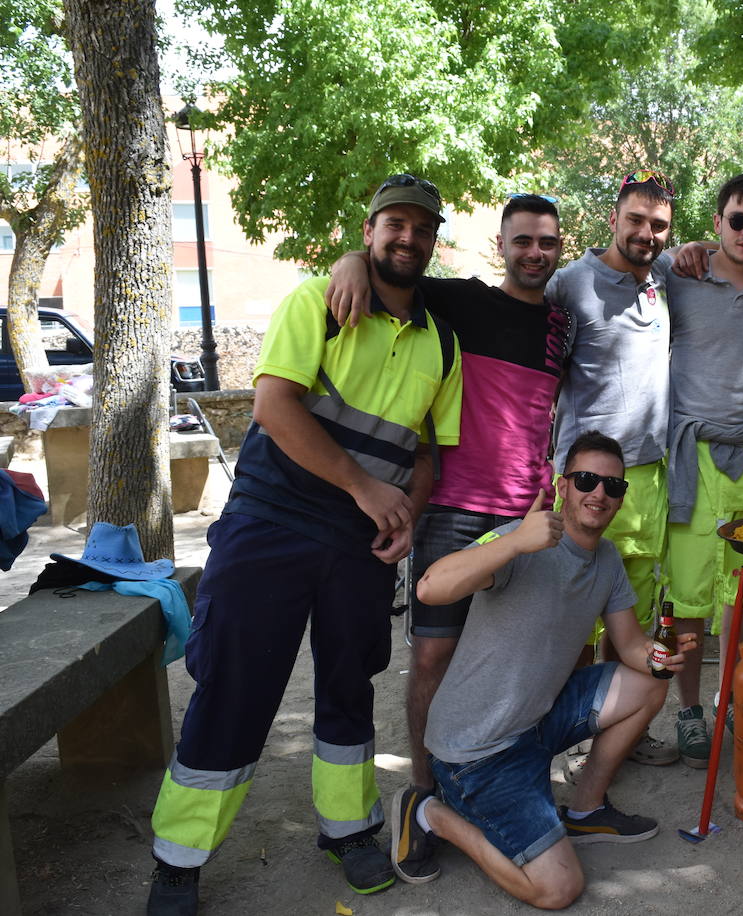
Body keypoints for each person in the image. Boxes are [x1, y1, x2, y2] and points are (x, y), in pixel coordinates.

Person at [145, 174, 463, 914]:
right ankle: (179, 859)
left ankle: (349, 829)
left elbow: (426, 453)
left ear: (432, 241)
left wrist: (405, 515)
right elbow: (274, 407)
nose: (406, 238)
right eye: (394, 224)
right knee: (234, 685)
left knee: (350, 687)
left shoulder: (442, 342)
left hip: (359, 544)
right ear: (369, 231)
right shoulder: (313, 302)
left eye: (420, 228)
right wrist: (363, 488)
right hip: (271, 524)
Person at [324, 193, 570, 879]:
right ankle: (425, 795)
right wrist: (348, 256)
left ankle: (499, 783)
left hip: (525, 517)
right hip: (453, 512)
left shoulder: (562, 325)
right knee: (434, 657)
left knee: (518, 662)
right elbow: (382, 268)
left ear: (558, 247)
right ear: (501, 246)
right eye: (522, 241)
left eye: (546, 242)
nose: (534, 253)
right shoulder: (459, 303)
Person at [389, 431, 699, 909]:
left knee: (648, 685)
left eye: (613, 486)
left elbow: (631, 644)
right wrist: (514, 542)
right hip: (477, 751)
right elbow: (430, 588)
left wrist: (661, 657)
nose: (599, 493)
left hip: (536, 721)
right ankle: (430, 812)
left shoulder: (608, 559)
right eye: (587, 480)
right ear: (562, 485)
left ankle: (586, 809)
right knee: (558, 889)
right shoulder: (522, 537)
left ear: (621, 499)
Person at [544, 170, 679, 766]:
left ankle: (620, 727)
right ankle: (564, 735)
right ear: (613, 220)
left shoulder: (665, 281)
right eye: (636, 221)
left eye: (659, 227)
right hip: (585, 482)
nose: (646, 234)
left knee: (633, 616)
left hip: (647, 479)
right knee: (572, 617)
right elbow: (540, 379)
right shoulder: (570, 284)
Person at [657, 173, 743, 766]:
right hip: (692, 455)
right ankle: (688, 710)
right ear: (717, 223)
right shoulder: (680, 275)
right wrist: (696, 252)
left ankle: (735, 695)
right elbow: (617, 259)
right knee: (689, 596)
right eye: (738, 219)